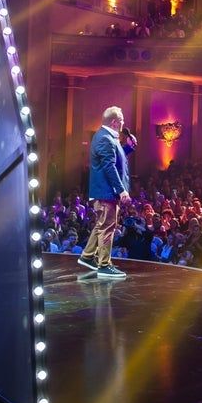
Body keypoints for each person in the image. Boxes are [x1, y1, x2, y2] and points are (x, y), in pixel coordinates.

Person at [79, 106, 137, 279]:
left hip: (105, 191)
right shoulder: (105, 138)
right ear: (114, 122)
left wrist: (128, 148)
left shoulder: (108, 137)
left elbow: (116, 159)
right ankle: (104, 265)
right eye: (122, 120)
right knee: (107, 227)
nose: (123, 123)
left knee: (101, 225)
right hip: (107, 192)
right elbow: (109, 166)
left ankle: (87, 256)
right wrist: (121, 190)